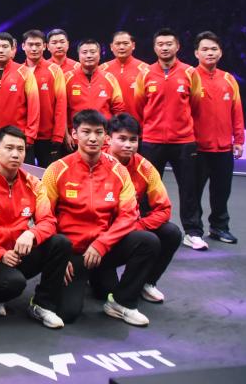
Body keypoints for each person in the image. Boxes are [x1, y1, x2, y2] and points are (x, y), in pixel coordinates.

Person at [43, 109, 159, 326]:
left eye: (98, 133)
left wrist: (102, 244)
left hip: (102, 249)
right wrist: (58, 256)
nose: (93, 138)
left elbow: (129, 215)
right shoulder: (56, 170)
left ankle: (122, 303)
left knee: (147, 241)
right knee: (68, 313)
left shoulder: (118, 171)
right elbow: (44, 217)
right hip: (73, 253)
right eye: (86, 132)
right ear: (74, 134)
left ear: (106, 136)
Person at [0, 126, 70, 329]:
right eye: (9, 148)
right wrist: (0, 253)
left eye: (20, 149)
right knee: (12, 283)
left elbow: (48, 221)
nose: (15, 154)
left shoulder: (34, 184)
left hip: (21, 252)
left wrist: (32, 234)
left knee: (60, 243)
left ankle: (42, 305)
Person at [133, 29, 206, 250]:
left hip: (183, 141)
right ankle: (146, 227)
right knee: (147, 188)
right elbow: (138, 106)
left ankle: (193, 232)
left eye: (169, 44)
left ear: (177, 47)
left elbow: (196, 105)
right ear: (154, 47)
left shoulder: (190, 73)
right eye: (160, 44)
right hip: (152, 140)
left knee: (189, 188)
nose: (164, 48)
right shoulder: (145, 73)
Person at [107, 114, 181, 304]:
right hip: (99, 234)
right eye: (122, 139)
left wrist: (137, 227)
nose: (128, 145)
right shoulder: (96, 161)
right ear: (108, 139)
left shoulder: (146, 168)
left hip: (129, 228)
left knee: (171, 233)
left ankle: (146, 282)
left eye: (133, 140)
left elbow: (164, 209)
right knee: (103, 290)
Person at [191, 31, 245, 245]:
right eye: (204, 49)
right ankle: (194, 230)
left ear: (220, 52)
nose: (209, 53)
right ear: (196, 53)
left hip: (223, 148)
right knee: (193, 193)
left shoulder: (229, 79)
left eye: (214, 49)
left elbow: (236, 111)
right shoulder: (190, 77)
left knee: (221, 192)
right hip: (197, 148)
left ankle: (219, 227)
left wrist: (238, 140)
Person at [0, 33, 40, 158]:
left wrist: (30, 135)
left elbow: (34, 107)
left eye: (5, 46)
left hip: (18, 138)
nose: (1, 50)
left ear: (12, 49)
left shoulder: (25, 73)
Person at [22, 30, 67, 168]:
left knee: (49, 175)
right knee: (27, 175)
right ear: (23, 46)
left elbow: (61, 104)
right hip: (24, 135)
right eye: (30, 45)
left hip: (48, 136)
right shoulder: (19, 71)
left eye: (38, 45)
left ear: (44, 46)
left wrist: (58, 134)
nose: (34, 48)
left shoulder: (55, 70)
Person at [64, 39, 126, 141]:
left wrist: (113, 134)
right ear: (78, 56)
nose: (89, 56)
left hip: (103, 138)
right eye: (84, 52)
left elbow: (118, 109)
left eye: (93, 52)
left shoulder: (109, 78)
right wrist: (66, 134)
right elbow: (61, 110)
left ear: (99, 55)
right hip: (76, 138)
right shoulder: (67, 78)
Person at [100, 30, 150, 121]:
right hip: (109, 125)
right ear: (111, 47)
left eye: (125, 43)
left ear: (133, 45)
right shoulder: (101, 70)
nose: (122, 47)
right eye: (118, 44)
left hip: (138, 124)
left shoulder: (146, 70)